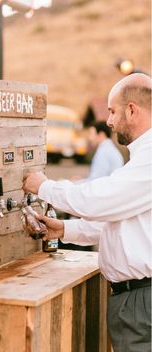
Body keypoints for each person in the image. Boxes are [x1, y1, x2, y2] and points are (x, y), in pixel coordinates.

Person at [23, 73, 152, 352]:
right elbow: (122, 221)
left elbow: (100, 200)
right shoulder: (142, 156)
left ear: (132, 110)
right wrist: (66, 229)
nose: (108, 121)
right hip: (137, 299)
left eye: (112, 111)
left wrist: (45, 187)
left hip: (142, 300)